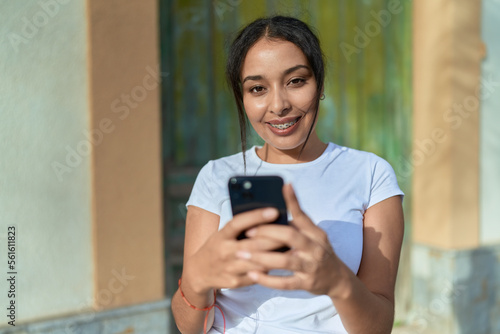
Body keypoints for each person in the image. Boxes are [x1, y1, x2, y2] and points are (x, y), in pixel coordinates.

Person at [171, 16, 404, 334]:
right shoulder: (215, 176)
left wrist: (337, 280)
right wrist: (197, 280)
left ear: (319, 84)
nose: (278, 105)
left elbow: (378, 327)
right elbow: (189, 328)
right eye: (257, 88)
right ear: (243, 98)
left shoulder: (371, 174)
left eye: (295, 81)